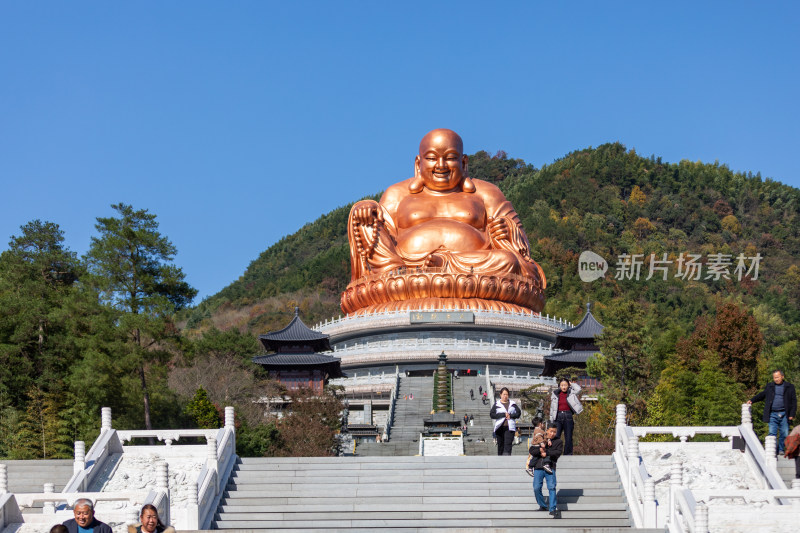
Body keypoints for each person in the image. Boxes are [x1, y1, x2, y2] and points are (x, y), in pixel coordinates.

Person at [344, 129, 546, 314]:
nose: (441, 166)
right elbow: (380, 237)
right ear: (418, 163)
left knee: (507, 261)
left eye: (450, 158)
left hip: (474, 271)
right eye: (432, 158)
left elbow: (523, 257)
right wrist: (364, 208)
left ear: (464, 163)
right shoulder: (397, 194)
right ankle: (400, 274)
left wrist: (507, 232)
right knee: (364, 218)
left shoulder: (487, 193)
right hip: (407, 270)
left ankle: (444, 265)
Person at [748, 370, 796, 454]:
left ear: (782, 376)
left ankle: (781, 450)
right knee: (772, 432)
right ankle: (772, 451)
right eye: (774, 377)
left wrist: (792, 414)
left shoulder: (789, 386)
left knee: (784, 433)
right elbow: (762, 395)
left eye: (777, 377)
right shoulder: (770, 386)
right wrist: (752, 400)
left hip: (785, 413)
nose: (776, 379)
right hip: (772, 413)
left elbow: (793, 401)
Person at [530, 422, 563, 519]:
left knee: (552, 487)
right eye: (551, 431)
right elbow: (532, 450)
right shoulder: (540, 437)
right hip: (538, 467)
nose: (552, 433)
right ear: (547, 430)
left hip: (550, 467)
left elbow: (557, 453)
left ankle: (552, 508)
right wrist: (541, 451)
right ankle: (542, 505)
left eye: (555, 432)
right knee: (536, 487)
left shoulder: (558, 442)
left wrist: (547, 453)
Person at [549, 378, 583, 455]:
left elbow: (579, 389)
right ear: (559, 386)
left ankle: (568, 454)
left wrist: (572, 384)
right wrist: (551, 420)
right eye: (562, 385)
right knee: (556, 435)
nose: (564, 387)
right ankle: (555, 452)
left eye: (565, 385)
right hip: (558, 416)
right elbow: (552, 408)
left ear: (568, 386)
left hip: (568, 415)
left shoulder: (571, 392)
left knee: (568, 436)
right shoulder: (555, 394)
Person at [490, 387, 520, 455]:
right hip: (500, 427)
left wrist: (511, 416)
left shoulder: (513, 404)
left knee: (508, 444)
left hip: (510, 427)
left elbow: (518, 413)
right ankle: (500, 460)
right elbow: (492, 415)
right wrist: (503, 414)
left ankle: (507, 460)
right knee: (500, 445)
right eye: (504, 394)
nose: (505, 396)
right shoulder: (497, 404)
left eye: (506, 394)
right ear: (500, 395)